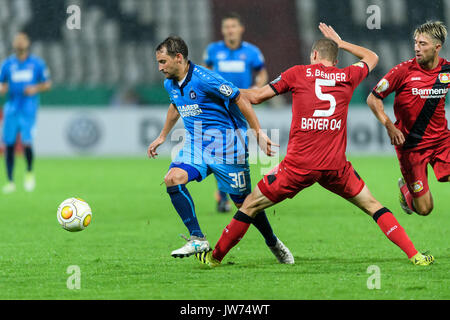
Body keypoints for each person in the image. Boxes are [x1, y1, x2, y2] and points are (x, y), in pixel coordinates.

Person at [196, 23, 434, 267]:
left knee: (250, 205)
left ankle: (215, 258)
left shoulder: (297, 73)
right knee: (374, 206)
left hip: (298, 167)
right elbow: (372, 56)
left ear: (314, 56)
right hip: (335, 168)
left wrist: (224, 91)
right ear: (336, 58)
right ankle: (415, 255)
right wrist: (341, 42)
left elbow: (255, 97)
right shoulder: (348, 76)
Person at [148, 36, 293, 263]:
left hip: (228, 147)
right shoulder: (170, 83)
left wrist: (257, 133)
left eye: (163, 61)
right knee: (172, 178)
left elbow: (240, 99)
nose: (160, 67)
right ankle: (197, 237)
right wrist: (162, 136)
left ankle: (272, 241)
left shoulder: (206, 78)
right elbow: (175, 105)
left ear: (178, 58)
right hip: (196, 146)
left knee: (244, 204)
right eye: (158, 62)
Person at [367, 21, 449, 217]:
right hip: (411, 146)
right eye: (415, 43)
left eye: (423, 44)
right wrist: (389, 126)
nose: (416, 48)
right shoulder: (402, 71)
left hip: (441, 141)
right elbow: (373, 99)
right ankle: (406, 189)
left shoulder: (446, 70)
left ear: (437, 47)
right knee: (425, 209)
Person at [204, 12, 269, 212]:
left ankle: (234, 194)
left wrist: (257, 88)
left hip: (240, 105)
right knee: (220, 150)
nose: (229, 30)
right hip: (218, 107)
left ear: (240, 29)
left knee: (238, 151)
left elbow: (262, 72)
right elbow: (204, 73)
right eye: (226, 27)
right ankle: (224, 197)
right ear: (223, 30)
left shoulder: (251, 52)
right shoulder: (214, 50)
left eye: (233, 26)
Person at [0, 32, 51, 193]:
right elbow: (1, 84)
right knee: (9, 144)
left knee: (27, 142)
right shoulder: (7, 64)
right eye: (17, 40)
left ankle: (29, 172)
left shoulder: (37, 64)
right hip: (12, 108)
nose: (20, 42)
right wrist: (2, 88)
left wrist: (35, 88)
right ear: (14, 44)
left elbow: (47, 84)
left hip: (28, 108)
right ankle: (10, 181)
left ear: (27, 43)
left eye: (22, 40)